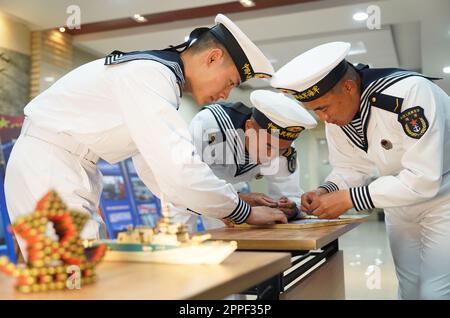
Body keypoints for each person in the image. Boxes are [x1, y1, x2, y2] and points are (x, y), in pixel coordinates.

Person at [5, 14, 288, 256]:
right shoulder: (151, 75)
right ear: (213, 57)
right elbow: (178, 169)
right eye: (229, 83)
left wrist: (230, 202)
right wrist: (241, 211)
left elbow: (157, 171)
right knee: (73, 276)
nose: (225, 95)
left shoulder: (159, 78)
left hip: (63, 164)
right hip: (50, 165)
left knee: (80, 275)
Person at [271, 41, 450, 299]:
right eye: (314, 111)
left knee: (436, 291)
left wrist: (349, 198)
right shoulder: (338, 115)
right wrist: (324, 191)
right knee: (409, 287)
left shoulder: (408, 93)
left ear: (348, 87)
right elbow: (350, 167)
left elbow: (424, 178)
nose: (323, 118)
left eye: (322, 107)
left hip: (443, 197)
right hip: (397, 201)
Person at [171, 90, 317, 230]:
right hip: (192, 193)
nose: (272, 157)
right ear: (249, 127)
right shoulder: (210, 126)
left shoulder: (282, 146)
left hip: (235, 190)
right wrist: (239, 200)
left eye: (281, 150)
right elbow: (185, 187)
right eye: (267, 146)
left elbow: (289, 194)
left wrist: (291, 209)